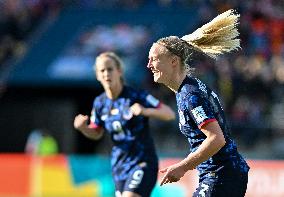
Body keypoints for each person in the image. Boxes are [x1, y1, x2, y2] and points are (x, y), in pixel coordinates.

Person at [147, 9, 250, 196]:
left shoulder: (190, 95)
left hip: (221, 174)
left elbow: (216, 138)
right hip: (224, 173)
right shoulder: (188, 89)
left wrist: (183, 167)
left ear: (173, 61)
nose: (149, 65)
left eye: (154, 59)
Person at [73, 52, 175, 197]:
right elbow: (97, 133)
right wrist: (83, 128)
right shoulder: (100, 103)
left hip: (142, 161)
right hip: (119, 165)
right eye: (102, 70)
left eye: (110, 69)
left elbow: (168, 113)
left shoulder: (136, 96)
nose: (106, 74)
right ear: (97, 75)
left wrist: (145, 110)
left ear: (119, 71)